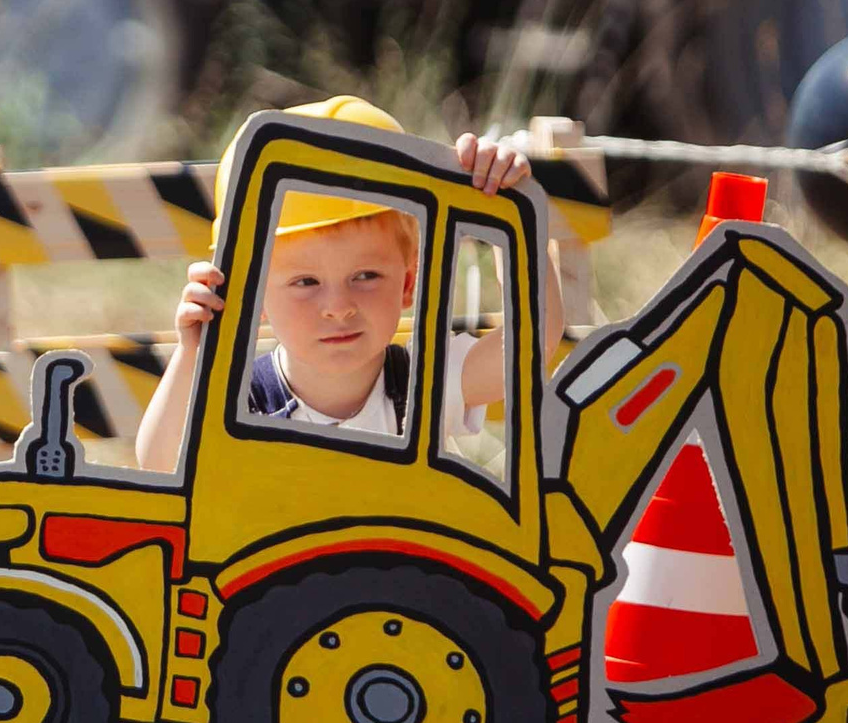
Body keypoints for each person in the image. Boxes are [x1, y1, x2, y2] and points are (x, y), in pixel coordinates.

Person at [131, 98, 552, 472]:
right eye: (306, 281)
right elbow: (159, 463)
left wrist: (502, 206)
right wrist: (194, 355)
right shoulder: (243, 400)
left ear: (408, 283)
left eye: (365, 276)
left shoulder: (423, 385)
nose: (338, 306)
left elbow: (533, 343)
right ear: (251, 295)